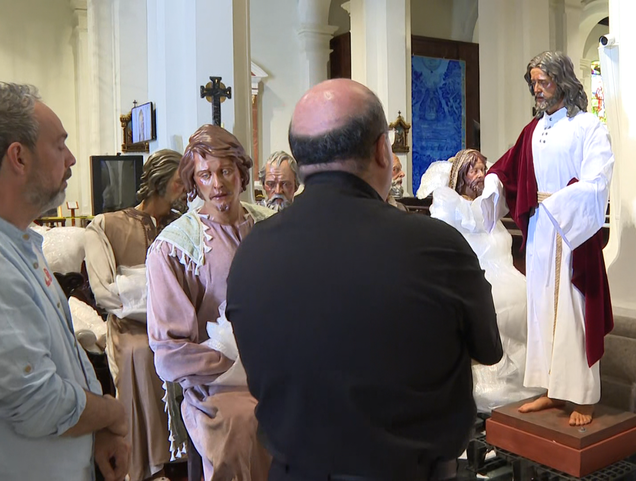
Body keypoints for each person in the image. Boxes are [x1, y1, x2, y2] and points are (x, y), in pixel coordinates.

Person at [227, 79, 503, 481]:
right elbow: (489, 347)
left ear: (299, 163)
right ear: (381, 151)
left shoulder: (250, 256)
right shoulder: (437, 246)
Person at [0, 82, 130, 481]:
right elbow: (36, 400)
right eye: (60, 145)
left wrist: (97, 433)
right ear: (19, 157)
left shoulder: (23, 242)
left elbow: (66, 357)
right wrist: (112, 410)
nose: (72, 158)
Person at [487, 51, 615, 426]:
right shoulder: (534, 130)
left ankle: (584, 397)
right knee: (543, 309)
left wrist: (561, 205)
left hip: (572, 232)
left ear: (563, 81)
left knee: (574, 311)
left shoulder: (588, 127)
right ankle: (552, 389)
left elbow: (597, 180)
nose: (538, 90)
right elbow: (508, 168)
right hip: (543, 231)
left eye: (544, 82)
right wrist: (490, 183)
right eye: (534, 83)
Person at [146, 124, 273, 480]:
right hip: (218, 382)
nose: (218, 184)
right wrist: (235, 365)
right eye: (206, 175)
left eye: (226, 171)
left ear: (241, 173)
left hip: (278, 369)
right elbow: (170, 349)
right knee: (243, 424)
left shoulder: (270, 226)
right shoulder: (175, 247)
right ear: (193, 181)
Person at [83, 149, 185, 481]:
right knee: (142, 353)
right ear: (162, 182)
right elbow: (106, 293)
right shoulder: (107, 225)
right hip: (131, 326)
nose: (186, 190)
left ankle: (191, 456)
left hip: (181, 320)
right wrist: (155, 302)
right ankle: (146, 464)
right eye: (180, 182)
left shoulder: (183, 226)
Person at [419, 149, 544, 413]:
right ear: (460, 175)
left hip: (509, 278)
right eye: (473, 170)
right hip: (478, 284)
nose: (480, 175)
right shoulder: (452, 207)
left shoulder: (488, 207)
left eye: (483, 169)